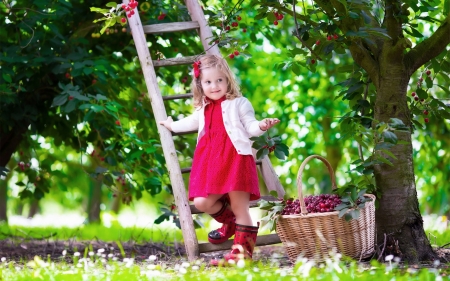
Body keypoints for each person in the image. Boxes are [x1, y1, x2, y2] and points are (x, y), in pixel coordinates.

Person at [159, 54, 280, 264]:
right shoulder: (203, 108)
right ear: (200, 84)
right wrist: (171, 125)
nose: (214, 86)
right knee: (203, 202)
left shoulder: (239, 103)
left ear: (227, 80)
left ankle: (241, 256)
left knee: (240, 207)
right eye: (208, 82)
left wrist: (261, 126)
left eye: (219, 80)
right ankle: (231, 224)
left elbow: (250, 126)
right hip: (212, 165)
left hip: (236, 161)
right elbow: (188, 122)